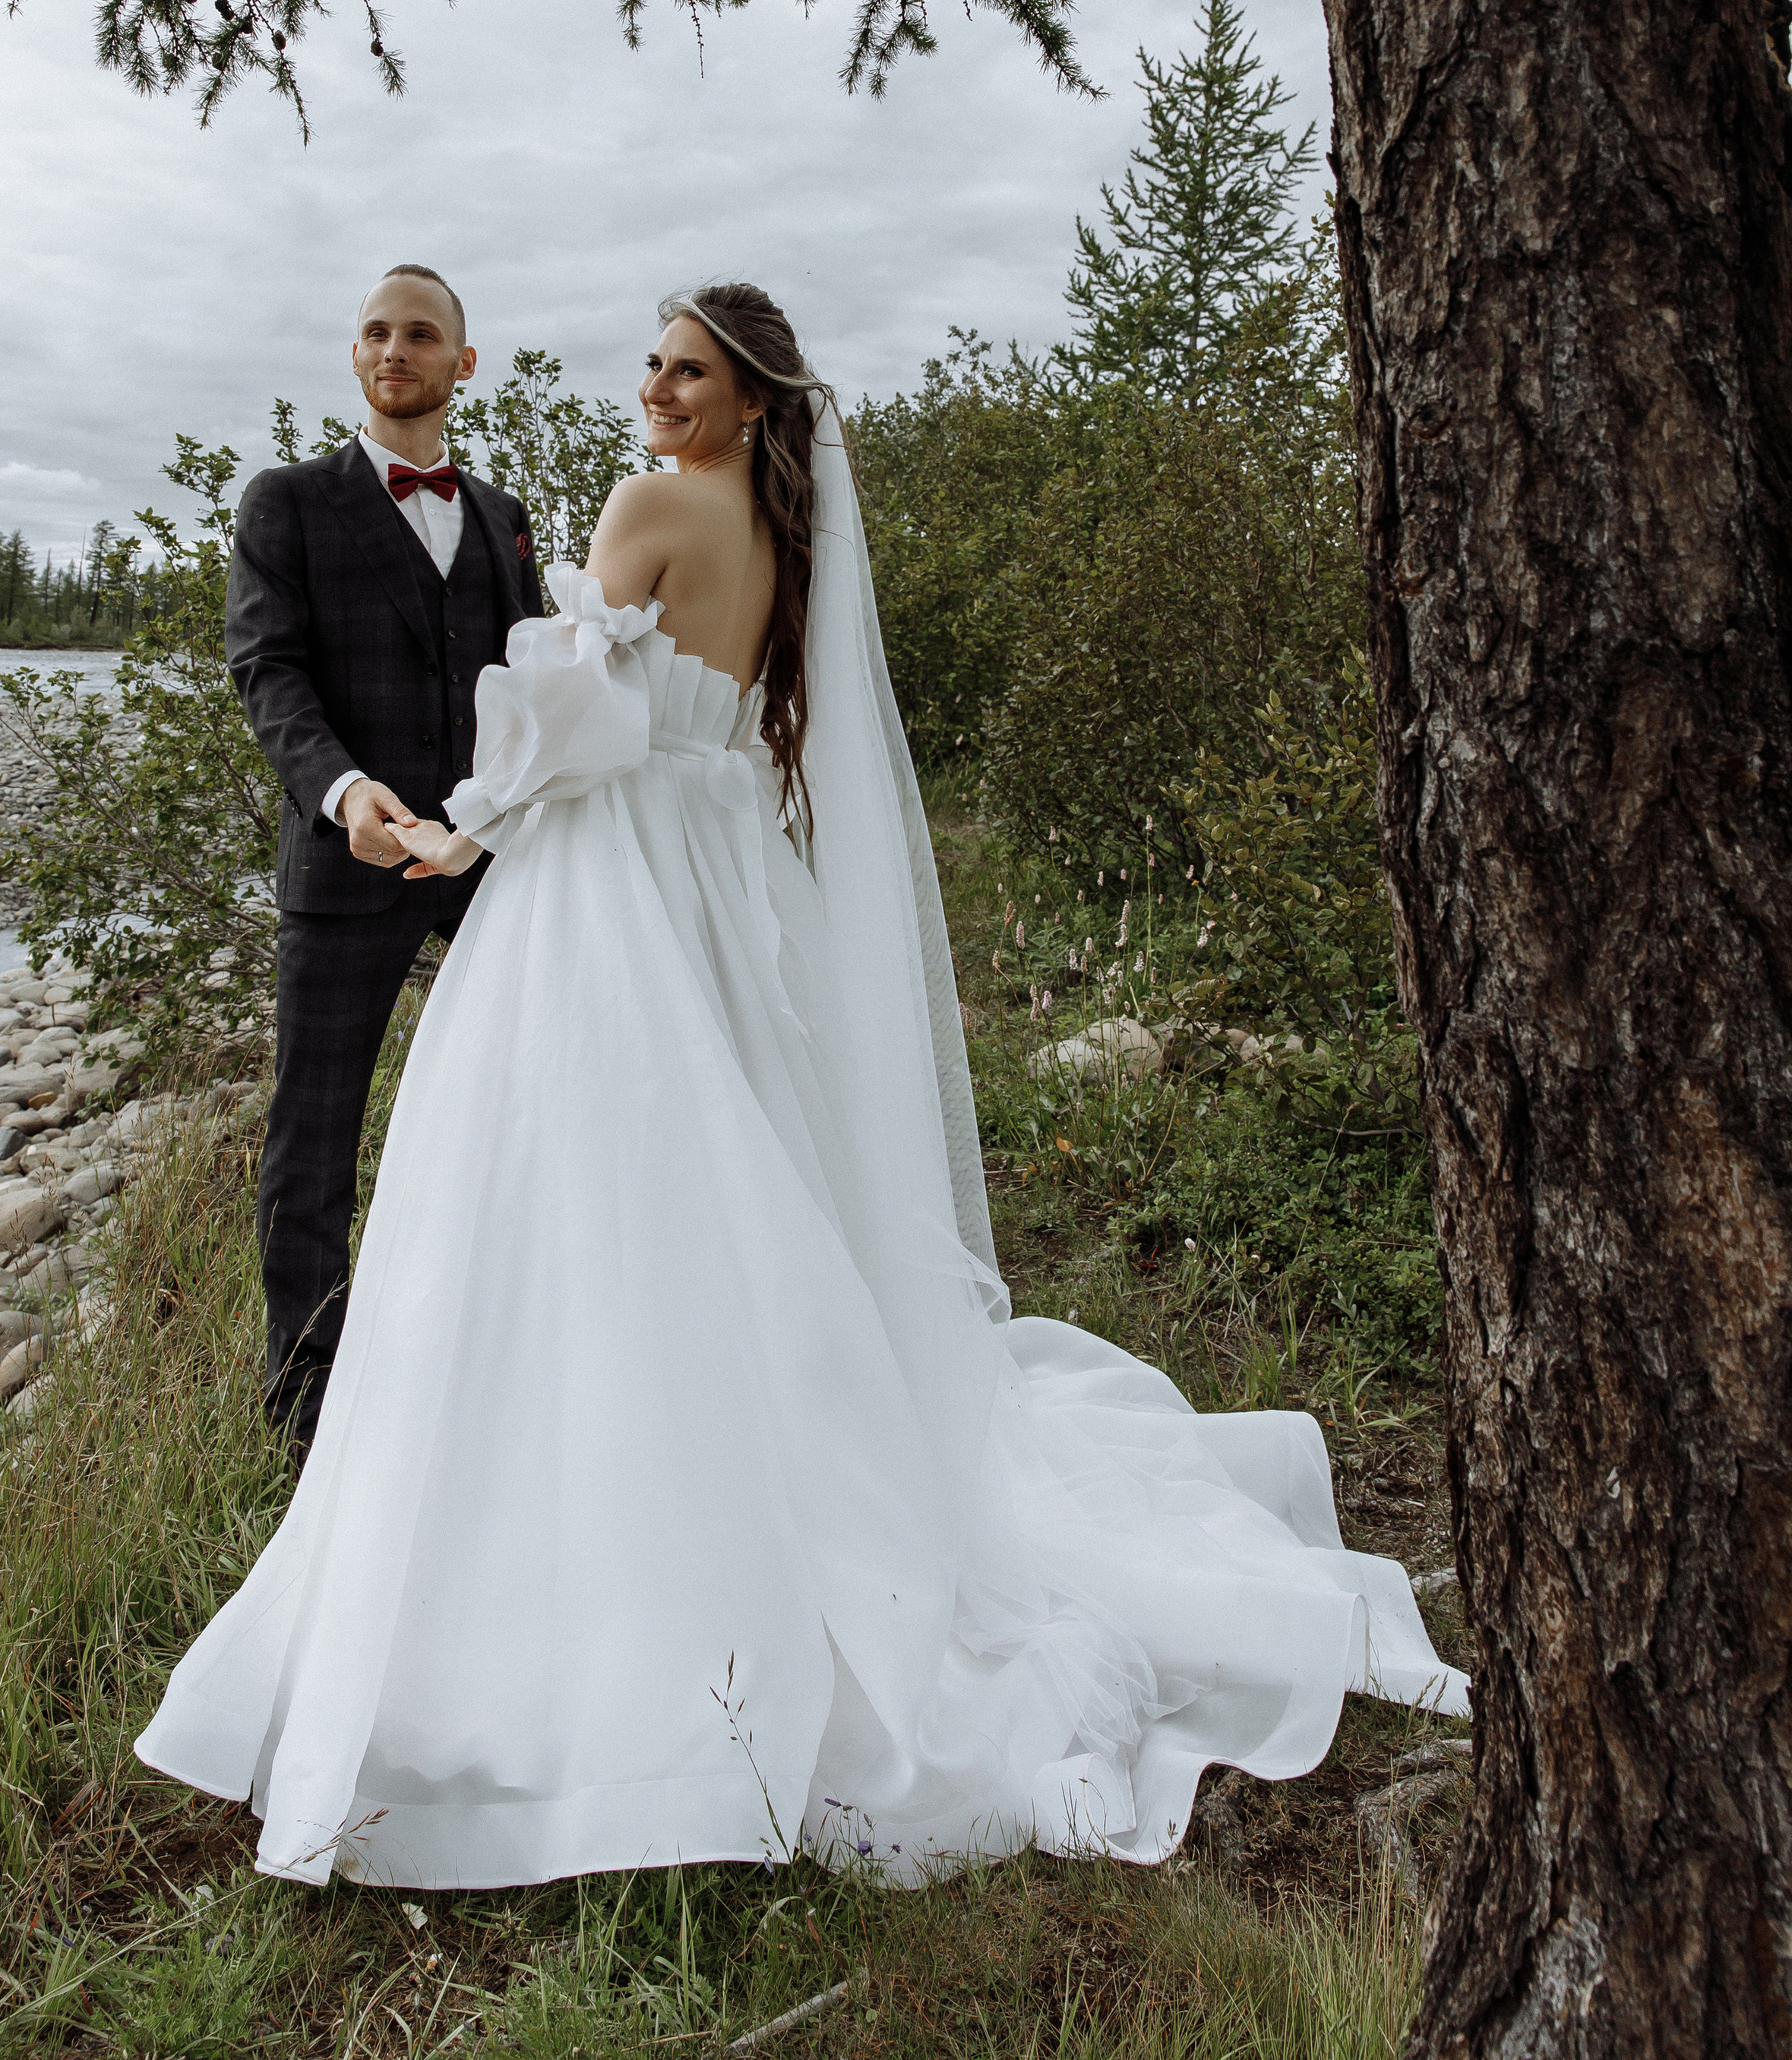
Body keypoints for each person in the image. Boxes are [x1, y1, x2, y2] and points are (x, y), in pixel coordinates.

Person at [140, 280, 1464, 1888]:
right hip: (713, 869)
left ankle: (576, 1542)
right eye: (650, 364)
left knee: (566, 1175)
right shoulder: (782, 541)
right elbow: (699, 720)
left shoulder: (637, 507)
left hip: (608, 875)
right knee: (726, 1173)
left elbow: (567, 730)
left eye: (685, 370)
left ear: (750, 397)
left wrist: (453, 824)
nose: (655, 389)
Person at [224, 264, 542, 1450]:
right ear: (354, 357)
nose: (393, 348)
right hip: (346, 862)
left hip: (491, 864)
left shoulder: (503, 514)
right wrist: (345, 793)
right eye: (375, 331)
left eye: (420, 334)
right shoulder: (287, 503)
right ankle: (307, 1409)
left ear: (464, 363)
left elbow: (530, 685)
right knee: (314, 1133)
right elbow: (269, 671)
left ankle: (503, 1352)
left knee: (534, 1097)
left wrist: (506, 812)